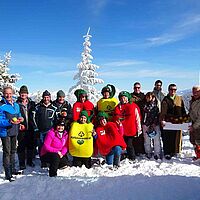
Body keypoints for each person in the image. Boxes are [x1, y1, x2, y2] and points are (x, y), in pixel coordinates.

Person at [0, 86, 23, 181]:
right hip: (5, 132)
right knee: (7, 152)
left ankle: (13, 169)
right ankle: (8, 173)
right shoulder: (1, 105)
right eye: (6, 93)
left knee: (13, 151)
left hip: (14, 130)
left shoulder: (16, 105)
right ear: (3, 94)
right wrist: (9, 122)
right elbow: (0, 120)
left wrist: (21, 120)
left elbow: (19, 115)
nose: (8, 95)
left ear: (12, 93)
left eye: (10, 93)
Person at [160, 84, 186, 160]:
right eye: (171, 89)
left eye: (175, 89)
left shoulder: (179, 98)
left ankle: (176, 151)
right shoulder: (165, 99)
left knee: (177, 137)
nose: (173, 91)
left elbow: (183, 109)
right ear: (168, 90)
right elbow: (163, 112)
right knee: (168, 137)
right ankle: (167, 152)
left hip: (178, 121)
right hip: (168, 121)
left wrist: (185, 118)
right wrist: (162, 120)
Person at [114, 91, 142, 161]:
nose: (123, 99)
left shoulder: (133, 106)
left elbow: (137, 118)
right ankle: (126, 154)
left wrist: (139, 129)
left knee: (129, 145)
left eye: (124, 97)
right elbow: (116, 117)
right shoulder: (118, 107)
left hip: (131, 129)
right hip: (122, 130)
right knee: (123, 144)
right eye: (121, 98)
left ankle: (132, 157)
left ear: (127, 98)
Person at [34, 90, 57, 166]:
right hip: (40, 130)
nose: (46, 99)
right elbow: (33, 118)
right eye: (45, 97)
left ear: (50, 98)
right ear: (42, 98)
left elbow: (56, 120)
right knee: (41, 146)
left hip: (50, 131)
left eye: (47, 97)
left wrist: (55, 130)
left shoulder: (54, 108)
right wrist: (36, 128)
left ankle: (49, 160)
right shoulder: (38, 107)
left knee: (49, 146)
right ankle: (43, 161)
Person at [17, 85, 36, 170]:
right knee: (21, 146)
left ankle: (29, 160)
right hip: (21, 129)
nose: (23, 94)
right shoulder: (17, 104)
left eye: (25, 93)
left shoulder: (32, 104)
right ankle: (21, 163)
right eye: (22, 93)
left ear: (27, 94)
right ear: (19, 94)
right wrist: (18, 124)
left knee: (30, 145)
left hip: (31, 128)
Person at [142, 92, 161, 160]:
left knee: (156, 140)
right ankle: (148, 152)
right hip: (146, 124)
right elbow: (143, 115)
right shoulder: (144, 105)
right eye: (148, 97)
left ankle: (157, 153)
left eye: (150, 97)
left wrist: (154, 123)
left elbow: (157, 115)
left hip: (155, 124)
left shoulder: (156, 105)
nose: (149, 99)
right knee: (147, 140)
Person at [130, 82, 145, 155]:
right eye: (135, 87)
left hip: (142, 116)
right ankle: (135, 149)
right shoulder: (130, 96)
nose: (137, 89)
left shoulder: (143, 96)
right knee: (134, 134)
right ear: (133, 88)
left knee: (141, 134)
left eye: (138, 87)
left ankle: (142, 149)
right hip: (133, 118)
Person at [189, 85, 200, 161]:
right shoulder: (192, 100)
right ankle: (198, 156)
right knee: (194, 141)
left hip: (198, 125)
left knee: (199, 141)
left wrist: (194, 126)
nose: (195, 93)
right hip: (193, 123)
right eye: (194, 91)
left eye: (197, 91)